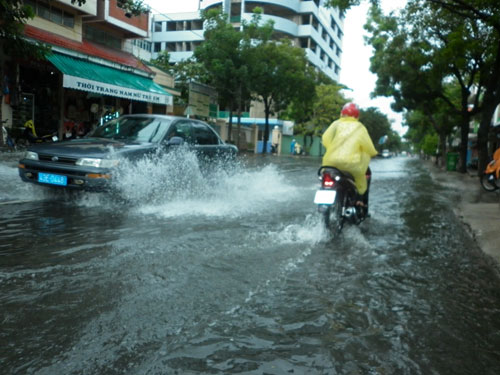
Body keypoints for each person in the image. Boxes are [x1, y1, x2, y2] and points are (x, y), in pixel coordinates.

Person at [321, 102, 378, 210]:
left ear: (342, 113)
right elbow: (368, 146)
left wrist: (332, 149)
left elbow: (325, 139)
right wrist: (373, 153)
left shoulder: (335, 124)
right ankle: (360, 201)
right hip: (352, 165)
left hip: (331, 162)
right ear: (357, 115)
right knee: (364, 177)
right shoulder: (359, 127)